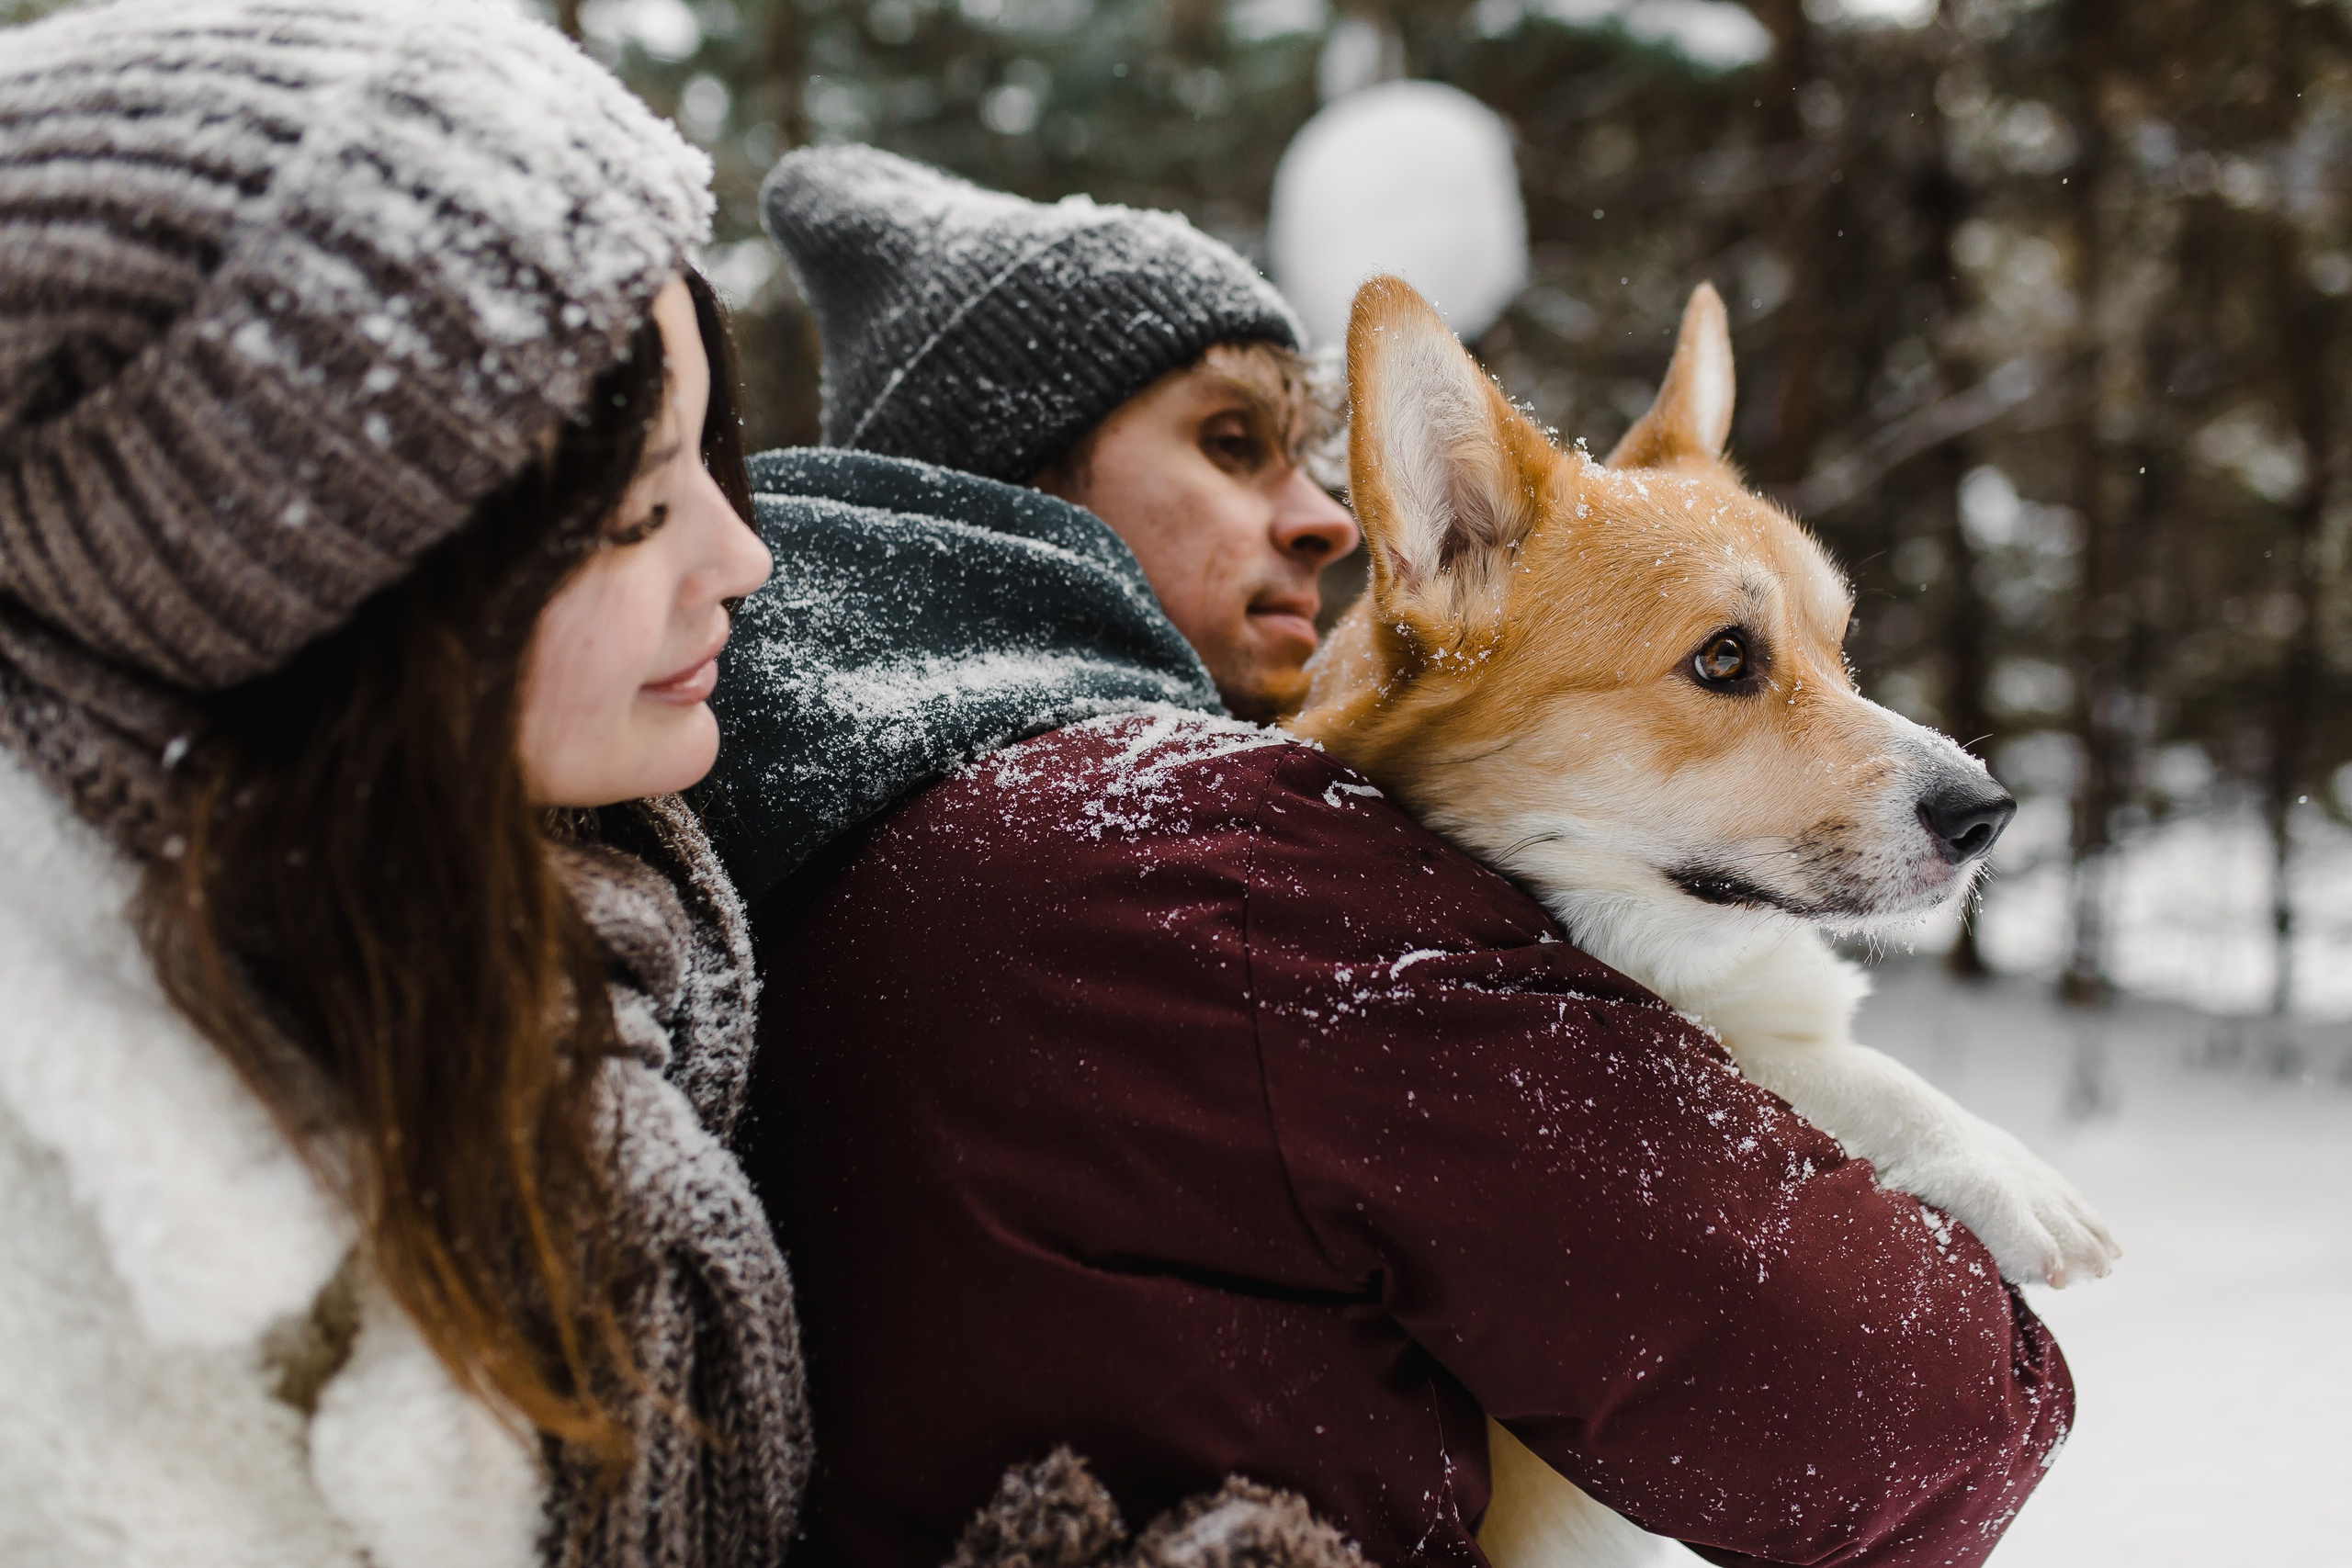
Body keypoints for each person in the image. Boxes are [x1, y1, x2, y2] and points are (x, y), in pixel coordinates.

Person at [704, 146, 2075, 1568]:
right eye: (1233, 446)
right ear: (1001, 480)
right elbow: (1918, 1424)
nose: (1332, 516)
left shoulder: (792, 823)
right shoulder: (1213, 871)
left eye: (1310, 451)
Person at [0, 6, 802, 1564]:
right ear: (320, 614)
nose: (744, 557)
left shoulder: (585, 913)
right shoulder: (66, 1266)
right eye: (641, 512)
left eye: (715, 455)